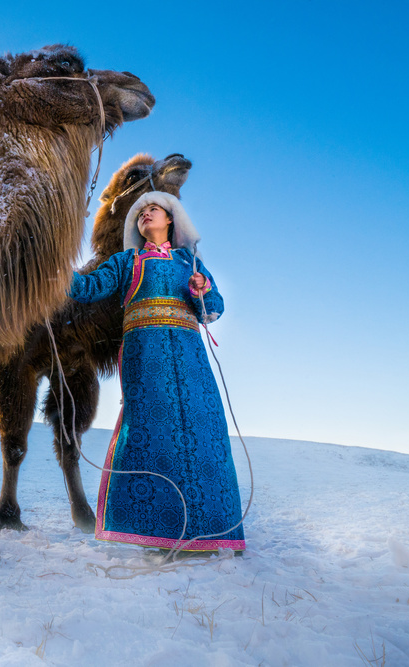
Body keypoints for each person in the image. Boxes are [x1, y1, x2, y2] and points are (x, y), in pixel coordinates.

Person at [68, 191, 245, 551]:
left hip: (191, 359)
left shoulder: (190, 262)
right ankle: (155, 531)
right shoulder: (126, 261)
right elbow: (87, 288)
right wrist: (53, 271)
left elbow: (214, 308)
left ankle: (211, 531)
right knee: (153, 432)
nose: (146, 215)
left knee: (203, 430)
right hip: (145, 357)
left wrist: (203, 289)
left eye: (154, 210)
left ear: (170, 220)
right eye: (141, 213)